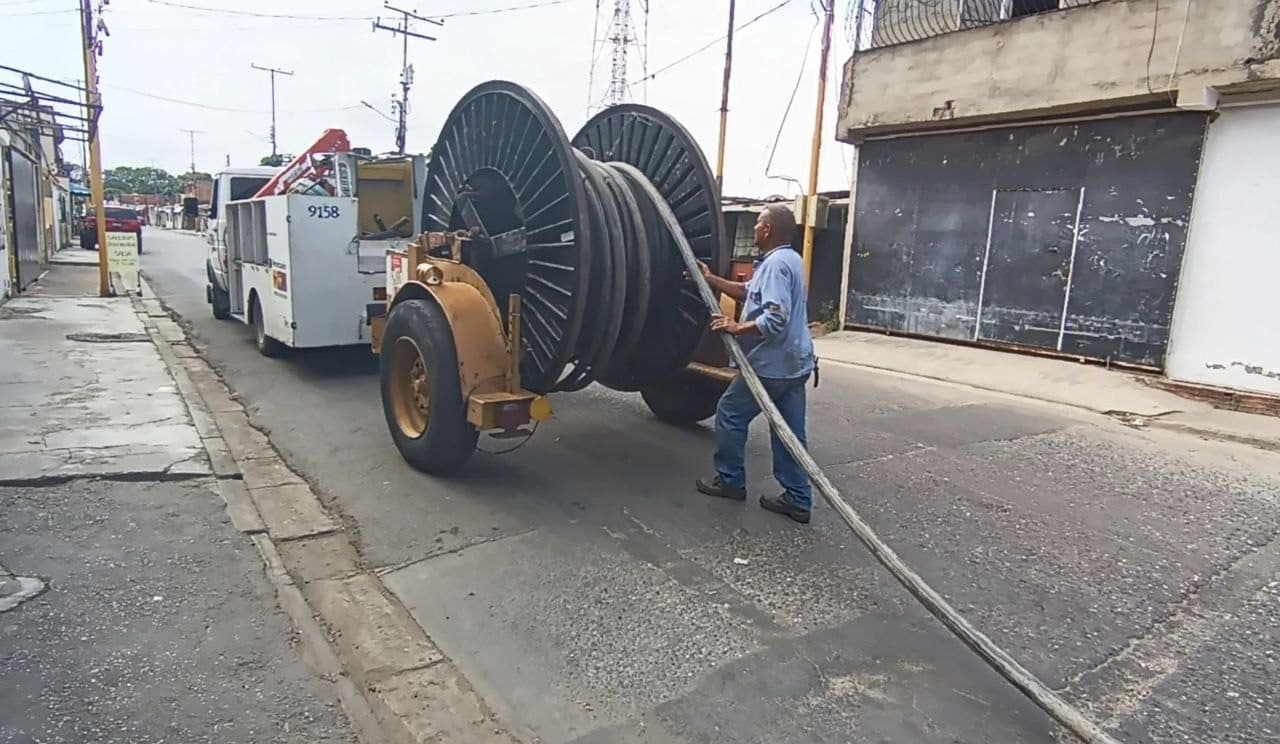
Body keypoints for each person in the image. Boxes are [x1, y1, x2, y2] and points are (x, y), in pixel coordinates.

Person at [695, 203, 817, 524]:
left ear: (768, 230)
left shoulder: (776, 266)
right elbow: (749, 292)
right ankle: (799, 498)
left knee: (730, 413)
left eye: (759, 223)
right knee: (790, 432)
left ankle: (731, 481)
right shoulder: (786, 260)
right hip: (796, 365)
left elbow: (775, 318)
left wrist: (737, 327)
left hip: (771, 366)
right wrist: (712, 280)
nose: (755, 228)